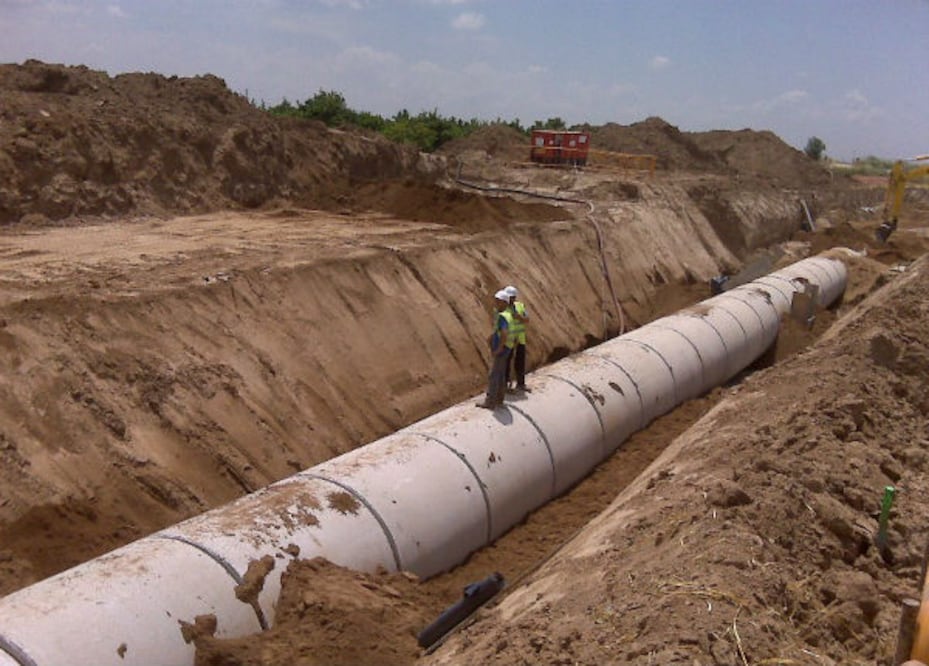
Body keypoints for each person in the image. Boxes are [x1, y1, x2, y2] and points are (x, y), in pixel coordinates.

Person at [477, 290, 514, 409]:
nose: (496, 303)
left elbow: (504, 333)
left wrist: (499, 348)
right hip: (507, 347)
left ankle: (490, 401)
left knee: (494, 375)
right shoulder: (508, 314)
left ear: (504, 302)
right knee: (501, 373)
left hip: (502, 348)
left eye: (498, 301)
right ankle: (499, 399)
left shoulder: (503, 316)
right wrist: (492, 337)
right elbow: (500, 331)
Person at [503, 285, 529, 392]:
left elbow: (527, 319)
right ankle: (505, 385)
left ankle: (521, 384)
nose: (511, 299)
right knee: (506, 363)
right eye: (509, 297)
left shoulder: (520, 306)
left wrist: (519, 317)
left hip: (520, 340)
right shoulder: (502, 308)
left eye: (512, 297)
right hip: (508, 341)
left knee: (520, 362)